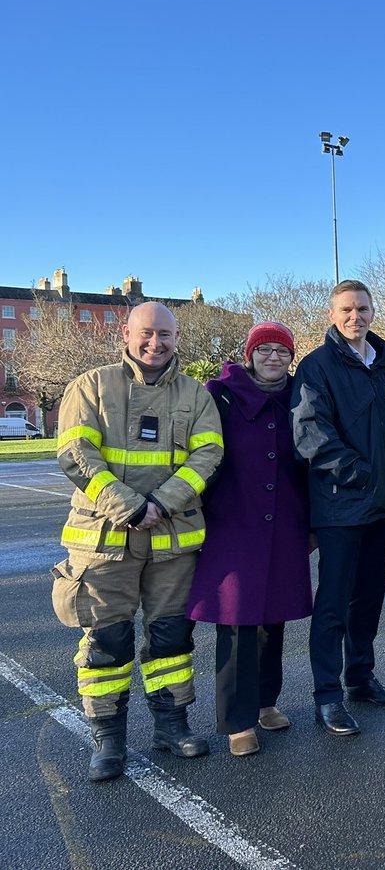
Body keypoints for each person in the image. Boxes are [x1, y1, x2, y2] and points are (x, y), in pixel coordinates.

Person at [52, 302, 223, 782]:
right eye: (147, 333)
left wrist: (161, 504)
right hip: (104, 540)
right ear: (125, 333)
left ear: (176, 338)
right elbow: (74, 453)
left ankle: (172, 726)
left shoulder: (196, 394)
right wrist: (129, 505)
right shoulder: (90, 386)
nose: (156, 343)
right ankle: (108, 739)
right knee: (107, 639)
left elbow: (209, 454)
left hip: (172, 539)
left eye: (165, 335)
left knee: (172, 639)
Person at [292, 280, 385, 736]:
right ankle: (328, 695)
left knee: (369, 599)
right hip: (342, 506)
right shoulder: (316, 367)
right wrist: (361, 475)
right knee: (334, 604)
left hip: (382, 506)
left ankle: (360, 678)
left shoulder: (384, 367)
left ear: (372, 312)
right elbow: (311, 436)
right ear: (332, 314)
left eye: (362, 308)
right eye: (346, 309)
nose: (355, 317)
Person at [187, 322, 312, 755]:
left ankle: (265, 703)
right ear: (249, 354)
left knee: (271, 619)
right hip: (232, 521)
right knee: (236, 621)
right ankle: (237, 722)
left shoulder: (300, 395)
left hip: (285, 521)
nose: (274, 357)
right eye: (265, 349)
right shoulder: (218, 395)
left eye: (282, 350)